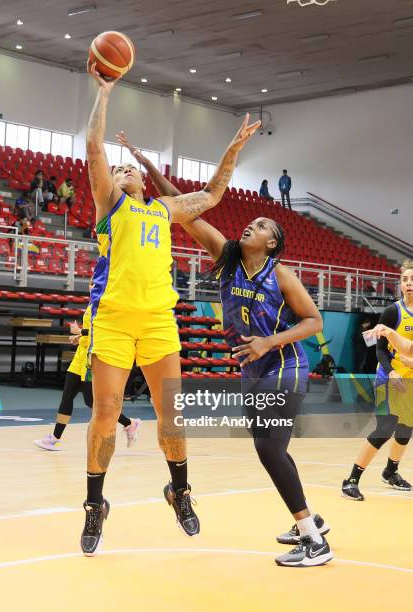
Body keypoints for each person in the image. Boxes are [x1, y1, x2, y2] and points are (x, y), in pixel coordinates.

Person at [118, 132, 332, 568]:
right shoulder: (226, 256)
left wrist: (270, 340)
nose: (251, 225)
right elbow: (182, 205)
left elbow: (314, 322)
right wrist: (147, 164)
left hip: (286, 365)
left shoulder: (282, 275)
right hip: (252, 370)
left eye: (262, 226)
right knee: (272, 447)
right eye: (250, 222)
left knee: (270, 449)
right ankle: (312, 519)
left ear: (271, 243)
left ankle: (313, 539)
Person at [79, 60, 260, 556]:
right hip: (115, 319)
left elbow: (215, 193)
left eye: (129, 168)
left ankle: (178, 490)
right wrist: (105, 90)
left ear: (143, 179)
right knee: (105, 413)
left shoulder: (164, 208)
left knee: (171, 418)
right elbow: (94, 147)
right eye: (118, 169)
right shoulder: (110, 203)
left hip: (158, 319)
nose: (123, 170)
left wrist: (233, 148)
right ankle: (96, 504)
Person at [342, 259, 413, 500]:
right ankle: (351, 480)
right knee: (385, 428)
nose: (409, 284)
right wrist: (391, 372)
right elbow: (380, 349)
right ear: (400, 285)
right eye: (405, 280)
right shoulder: (393, 311)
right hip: (388, 377)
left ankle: (390, 472)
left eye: (412, 280)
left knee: (406, 429)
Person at [33, 296, 141, 451]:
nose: (92, 286)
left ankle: (129, 423)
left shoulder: (106, 304)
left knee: (91, 401)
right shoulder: (92, 303)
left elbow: (102, 330)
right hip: (79, 357)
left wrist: (81, 331)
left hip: (91, 360)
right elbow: (91, 332)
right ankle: (54, 438)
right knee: (67, 396)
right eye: (91, 284)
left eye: (95, 283)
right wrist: (80, 337)